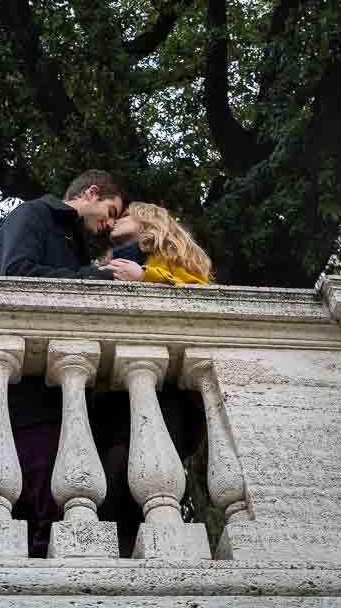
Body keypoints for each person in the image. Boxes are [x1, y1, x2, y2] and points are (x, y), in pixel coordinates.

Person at [0, 169, 138, 557]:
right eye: (111, 210)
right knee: (40, 531)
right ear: (90, 193)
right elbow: (15, 277)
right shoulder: (33, 214)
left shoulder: (77, 245)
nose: (109, 223)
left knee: (62, 528)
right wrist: (96, 277)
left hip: (64, 405)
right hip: (28, 405)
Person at [93, 202, 211, 555]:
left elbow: (198, 295)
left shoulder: (168, 259)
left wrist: (145, 278)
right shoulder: (109, 262)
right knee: (108, 482)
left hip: (163, 392)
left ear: (149, 224)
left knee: (148, 482)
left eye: (125, 215)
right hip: (112, 391)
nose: (116, 220)